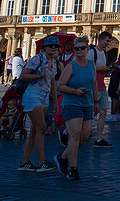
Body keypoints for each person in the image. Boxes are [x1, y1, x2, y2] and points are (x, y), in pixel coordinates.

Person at [55, 36, 96, 180]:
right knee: (75, 135)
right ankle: (73, 168)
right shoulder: (70, 66)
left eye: (82, 48)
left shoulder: (91, 64)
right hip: (72, 103)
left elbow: (94, 83)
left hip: (88, 104)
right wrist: (74, 91)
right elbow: (60, 86)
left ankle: (63, 157)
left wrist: (96, 101)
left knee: (85, 135)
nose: (79, 51)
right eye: (76, 48)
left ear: (88, 49)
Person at [19, 36, 60, 171]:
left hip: (45, 96)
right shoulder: (37, 59)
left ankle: (25, 162)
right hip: (33, 94)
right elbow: (23, 75)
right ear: (45, 48)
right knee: (41, 128)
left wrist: (54, 101)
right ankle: (41, 162)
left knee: (35, 130)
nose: (53, 48)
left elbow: (53, 82)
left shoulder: (53, 62)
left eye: (56, 46)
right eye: (51, 46)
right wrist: (38, 75)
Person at [89, 32, 114, 147]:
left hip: (102, 85)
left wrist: (107, 68)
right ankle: (69, 132)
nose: (108, 43)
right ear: (100, 39)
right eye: (107, 41)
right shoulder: (91, 52)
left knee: (103, 111)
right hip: (93, 85)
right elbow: (87, 67)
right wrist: (101, 68)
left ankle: (99, 138)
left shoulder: (104, 53)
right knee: (90, 113)